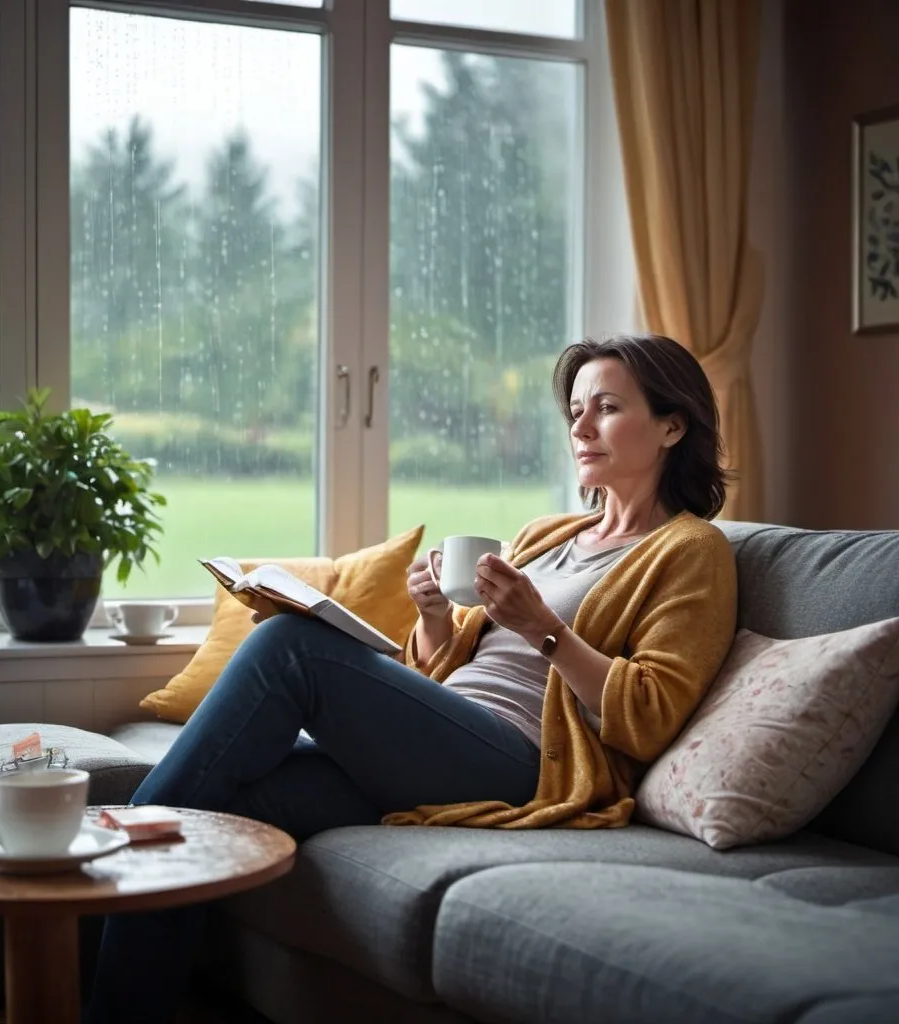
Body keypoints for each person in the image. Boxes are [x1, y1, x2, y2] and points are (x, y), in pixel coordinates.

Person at [85, 333, 738, 1022]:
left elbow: (650, 715)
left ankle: (123, 831)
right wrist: (432, 616)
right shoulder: (550, 533)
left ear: (672, 425)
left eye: (605, 408)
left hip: (525, 764)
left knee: (290, 645)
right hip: (448, 742)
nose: (579, 426)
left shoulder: (692, 551)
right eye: (575, 408)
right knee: (230, 804)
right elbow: (446, 665)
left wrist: (544, 627)